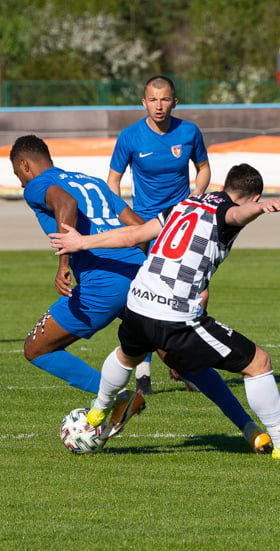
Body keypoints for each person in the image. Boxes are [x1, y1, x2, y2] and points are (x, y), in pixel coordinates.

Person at [50, 163, 280, 459]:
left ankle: (98, 411)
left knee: (127, 355)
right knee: (258, 362)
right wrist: (260, 209)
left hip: (137, 301)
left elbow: (134, 235)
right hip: (173, 315)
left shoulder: (186, 203)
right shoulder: (229, 211)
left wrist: (82, 242)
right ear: (254, 195)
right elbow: (235, 214)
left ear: (225, 185)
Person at [11, 135, 271, 452]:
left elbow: (66, 204)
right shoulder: (91, 180)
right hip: (142, 277)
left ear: (24, 165)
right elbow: (136, 224)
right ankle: (250, 429)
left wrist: (64, 262)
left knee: (36, 349)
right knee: (180, 359)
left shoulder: (36, 184)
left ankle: (121, 398)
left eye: (17, 173)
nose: (20, 179)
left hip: (103, 282)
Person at [108, 75, 212, 396]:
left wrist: (197, 195)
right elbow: (112, 182)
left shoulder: (189, 132)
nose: (159, 105)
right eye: (153, 99)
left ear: (175, 101)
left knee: (194, 294)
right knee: (147, 296)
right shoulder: (130, 137)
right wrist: (128, 222)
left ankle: (183, 365)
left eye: (164, 99)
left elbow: (204, 168)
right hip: (147, 229)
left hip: (182, 227)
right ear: (144, 103)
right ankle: (143, 372)